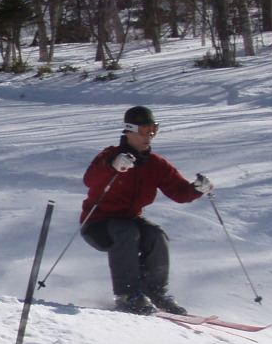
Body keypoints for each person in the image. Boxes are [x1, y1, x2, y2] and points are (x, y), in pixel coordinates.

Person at [80, 105, 213, 315]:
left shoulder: (155, 164)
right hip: (97, 224)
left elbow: (179, 192)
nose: (149, 136)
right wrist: (112, 166)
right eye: (144, 130)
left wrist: (195, 189)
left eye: (154, 130)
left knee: (156, 235)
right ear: (129, 131)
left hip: (131, 220)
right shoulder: (111, 155)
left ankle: (156, 292)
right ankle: (127, 295)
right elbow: (90, 180)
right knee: (127, 232)